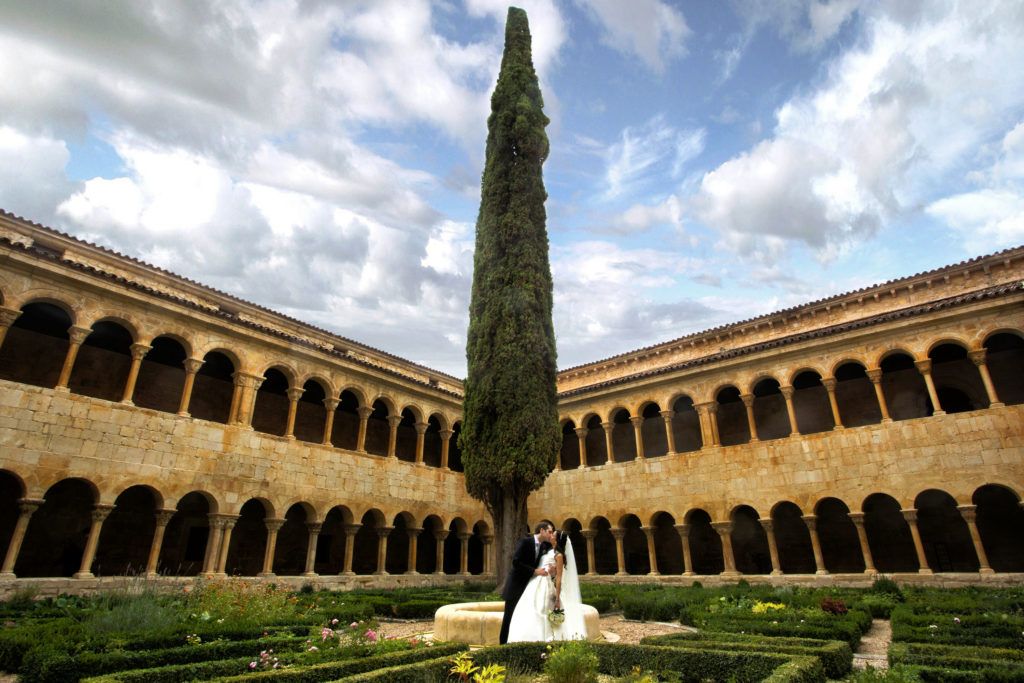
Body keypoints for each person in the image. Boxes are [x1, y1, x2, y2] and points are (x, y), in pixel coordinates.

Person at [507, 529, 587, 642]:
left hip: (545, 585)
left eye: (553, 535)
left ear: (557, 539)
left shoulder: (559, 555)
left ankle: (544, 638)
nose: (551, 536)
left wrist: (558, 597)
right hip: (535, 583)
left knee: (542, 610)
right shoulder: (548, 550)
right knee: (527, 609)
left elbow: (559, 578)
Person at [499, 520, 555, 644]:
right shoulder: (525, 542)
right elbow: (516, 562)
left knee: (522, 617)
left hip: (529, 588)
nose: (551, 535)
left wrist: (551, 568)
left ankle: (516, 643)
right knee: (509, 617)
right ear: (542, 530)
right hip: (516, 586)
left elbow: (555, 554)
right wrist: (535, 571)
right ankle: (502, 645)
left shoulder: (544, 546)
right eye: (549, 532)